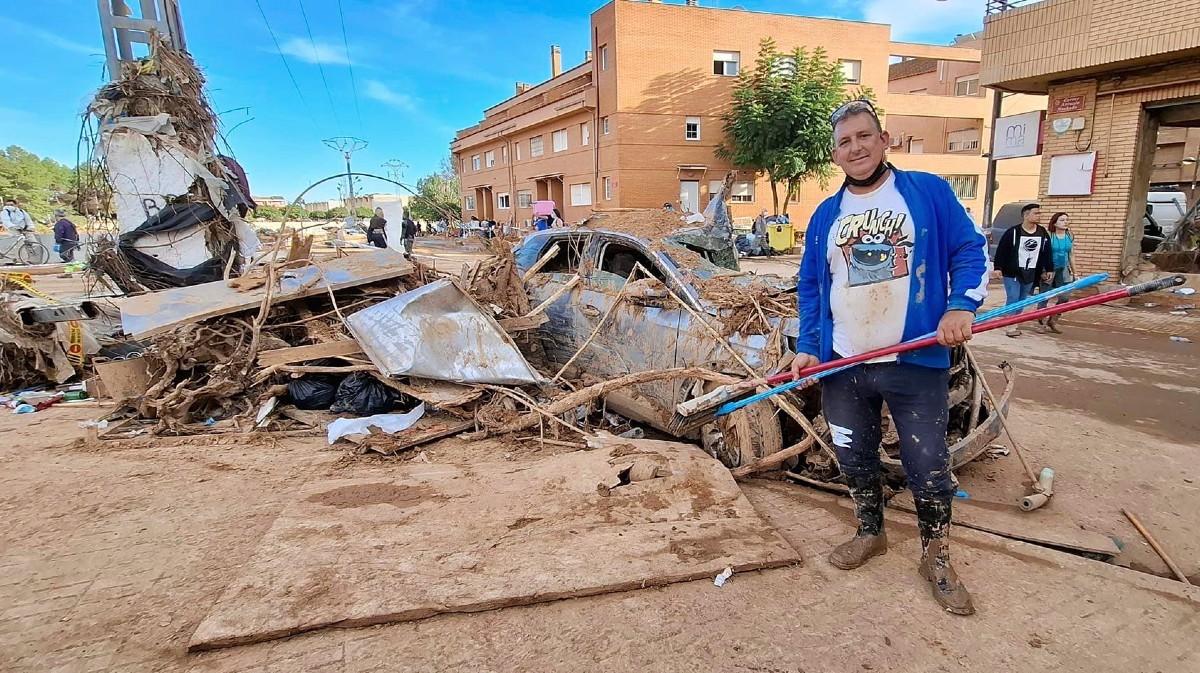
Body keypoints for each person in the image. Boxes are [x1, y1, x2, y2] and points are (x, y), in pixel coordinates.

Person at [793, 98, 988, 615]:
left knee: (928, 463)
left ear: (883, 140)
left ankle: (937, 556)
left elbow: (970, 251)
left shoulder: (926, 193)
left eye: (863, 136)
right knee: (853, 456)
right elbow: (812, 286)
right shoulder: (826, 216)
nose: (855, 148)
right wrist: (808, 346)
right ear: (835, 155)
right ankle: (870, 532)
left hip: (914, 360)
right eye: (844, 142)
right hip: (845, 364)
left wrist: (960, 305)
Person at [993, 203, 1053, 338]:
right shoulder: (1013, 232)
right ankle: (1010, 325)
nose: (1039, 215)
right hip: (1012, 272)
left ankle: (1014, 320)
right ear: (1026, 215)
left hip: (1031, 272)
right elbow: (1002, 251)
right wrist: (998, 268)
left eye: (1039, 213)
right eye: (1036, 213)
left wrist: (1048, 269)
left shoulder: (1042, 233)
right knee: (1013, 297)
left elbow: (1047, 252)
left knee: (1022, 299)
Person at [1037, 212, 1075, 334]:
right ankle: (1042, 322)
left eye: (1066, 220)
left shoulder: (1069, 235)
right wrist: (1042, 271)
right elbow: (1041, 254)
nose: (1066, 222)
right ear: (1054, 223)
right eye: (1062, 220)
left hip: (1063, 270)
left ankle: (1053, 320)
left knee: (1064, 297)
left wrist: (1074, 272)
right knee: (1044, 297)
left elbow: (1071, 255)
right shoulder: (1048, 235)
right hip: (1049, 269)